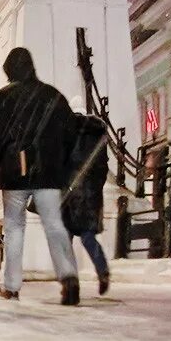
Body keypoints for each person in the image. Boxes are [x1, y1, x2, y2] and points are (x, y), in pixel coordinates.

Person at [0, 47, 80, 305]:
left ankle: (12, 285)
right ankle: (69, 279)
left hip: (14, 172)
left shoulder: (4, 97)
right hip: (49, 173)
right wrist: (59, 160)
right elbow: (71, 132)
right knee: (54, 226)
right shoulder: (53, 96)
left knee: (14, 228)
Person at [62, 112, 111, 295]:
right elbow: (103, 168)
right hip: (91, 195)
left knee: (65, 240)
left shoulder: (67, 133)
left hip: (70, 194)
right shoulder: (98, 134)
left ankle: (70, 283)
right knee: (88, 237)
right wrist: (94, 188)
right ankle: (102, 270)